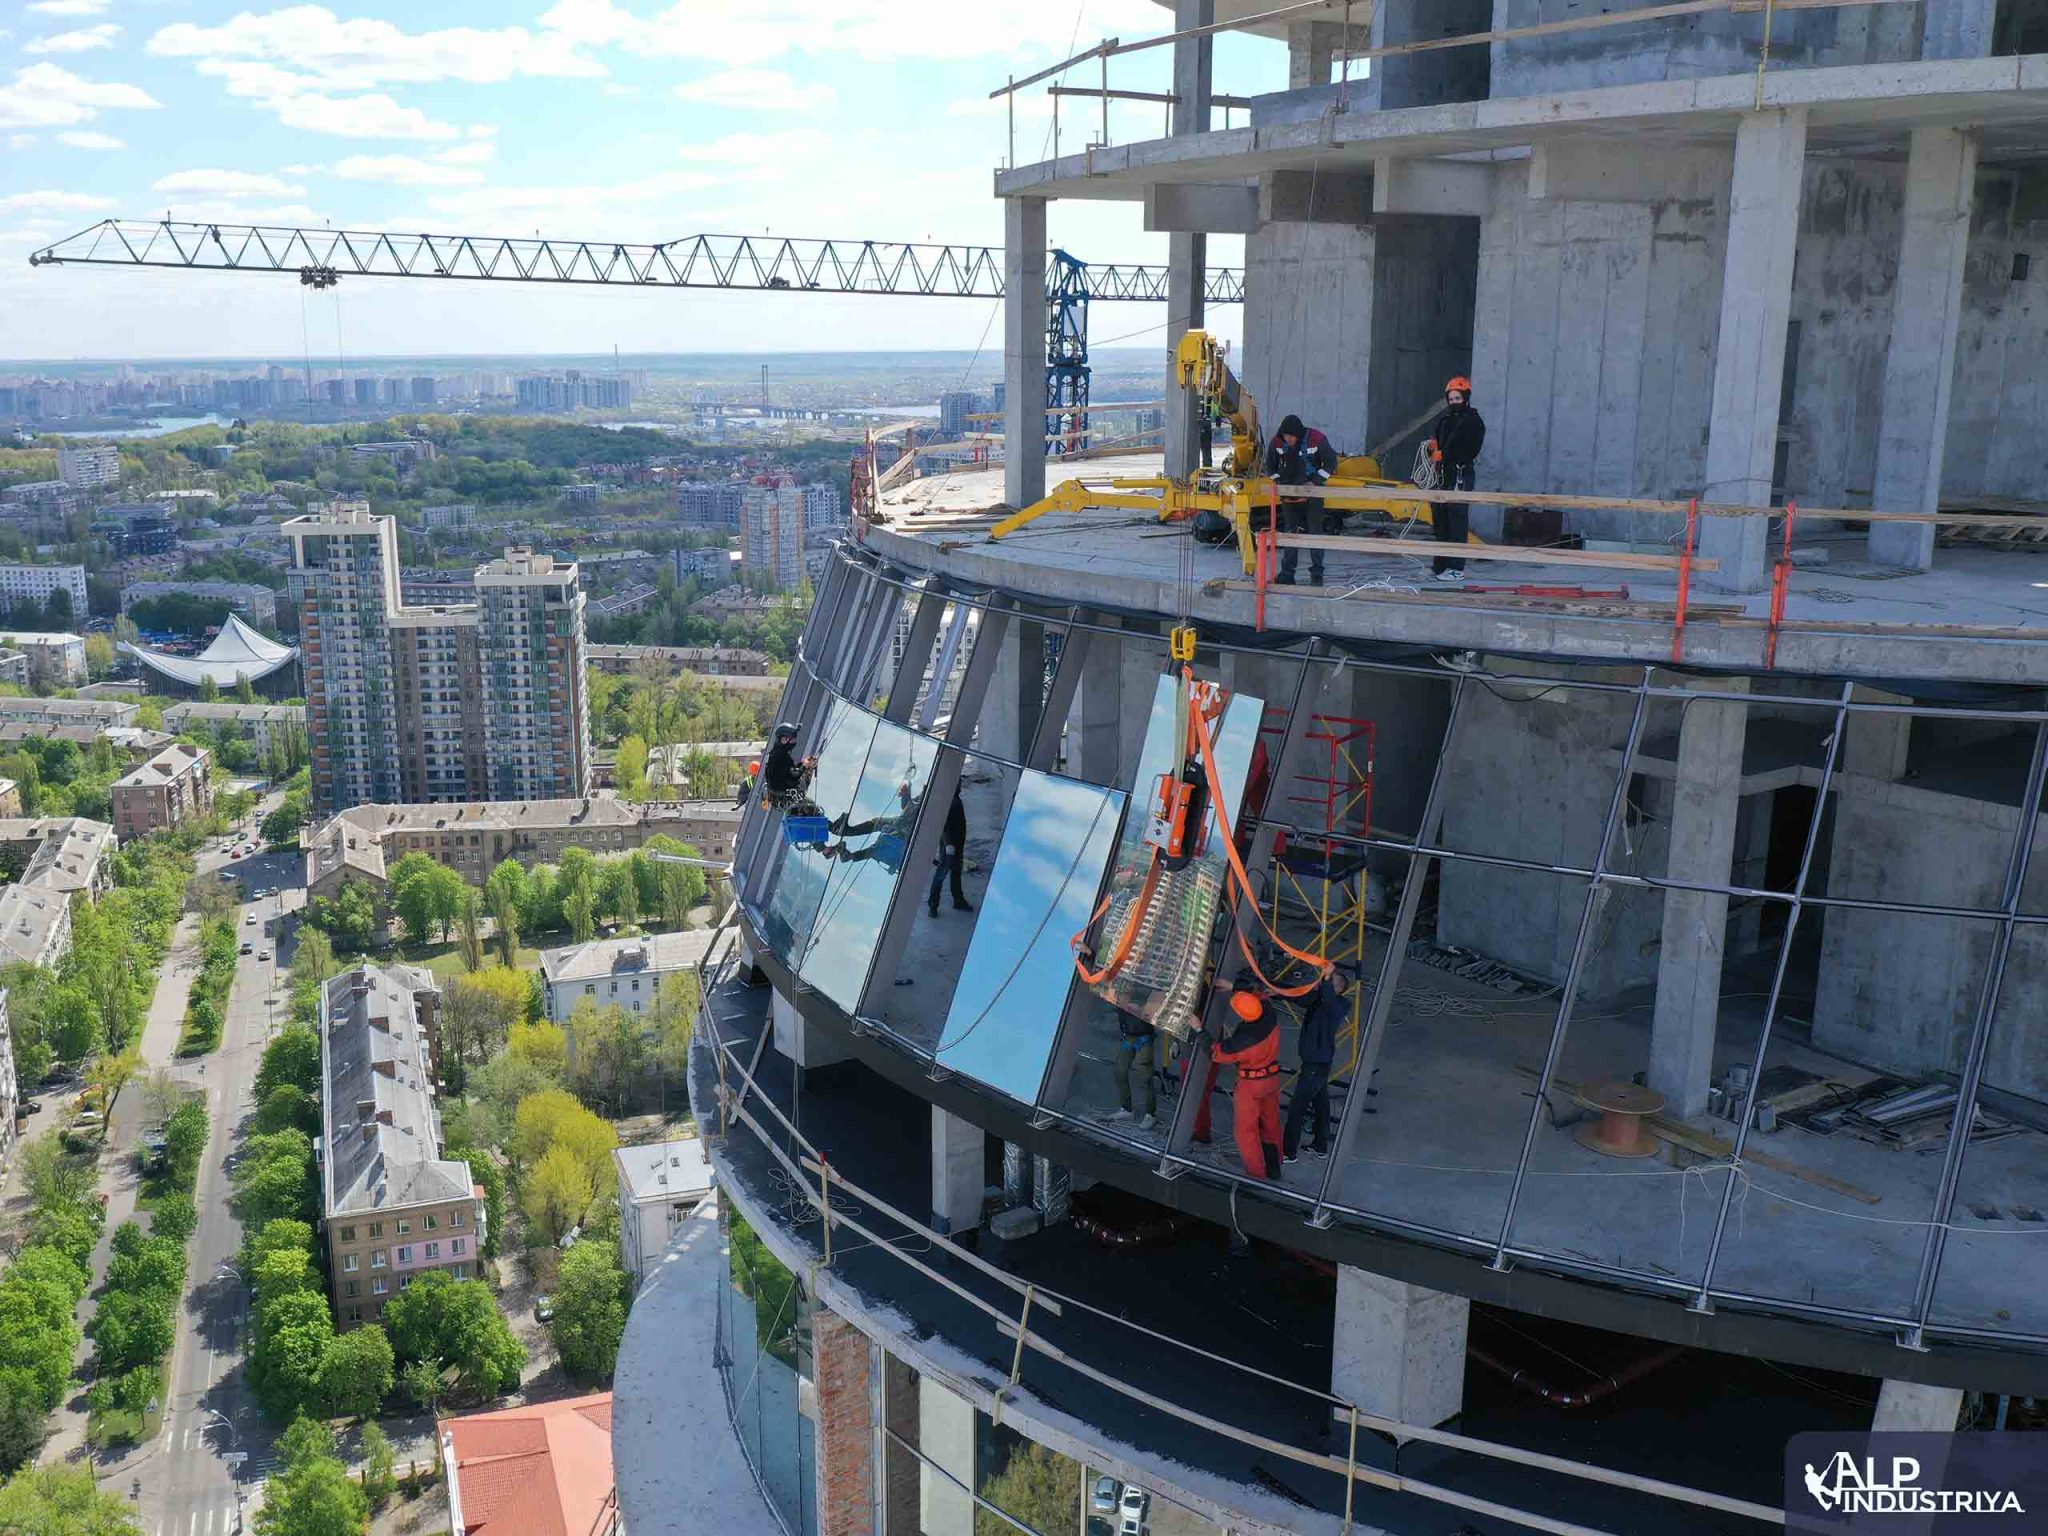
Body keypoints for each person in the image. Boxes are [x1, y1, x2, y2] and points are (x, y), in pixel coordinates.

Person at [1210, 990, 1283, 1180]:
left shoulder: (1243, 1042)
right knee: (1271, 1124)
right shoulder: (1270, 1015)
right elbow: (1262, 996)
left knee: (1246, 1131)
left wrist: (1198, 1031)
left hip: (1251, 1085)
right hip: (1271, 1079)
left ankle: (1256, 1173)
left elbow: (1217, 1053)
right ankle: (1274, 1167)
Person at [1263, 414, 1339, 587]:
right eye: (1285, 436)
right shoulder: (1277, 443)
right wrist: (1279, 483)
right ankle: (1288, 575)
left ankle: (1317, 575)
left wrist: (1315, 482)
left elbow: (1331, 463)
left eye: (1291, 436)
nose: (1288, 439)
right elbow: (1270, 466)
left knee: (1315, 534)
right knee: (1290, 534)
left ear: (1298, 433)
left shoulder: (1317, 439)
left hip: (1313, 496)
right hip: (1289, 497)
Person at [1423, 376, 1486, 583]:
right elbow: (1440, 441)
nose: (1453, 402)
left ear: (1465, 397)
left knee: (1457, 522)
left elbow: (1471, 450)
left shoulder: (1473, 422)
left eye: (1457, 398)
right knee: (1441, 522)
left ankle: (1456, 568)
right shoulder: (1445, 420)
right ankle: (1440, 566)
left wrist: (1447, 456)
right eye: (1451, 399)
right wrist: (1434, 446)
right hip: (1442, 475)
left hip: (1460, 474)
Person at [1283, 970, 1348, 1162]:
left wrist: (1327, 980)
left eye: (1328, 981)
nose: (1322, 982)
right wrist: (1275, 991)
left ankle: (1288, 1152)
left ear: (1338, 989)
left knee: (1297, 1108)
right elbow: (1301, 998)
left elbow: (1329, 1002)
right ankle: (1320, 1145)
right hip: (1318, 1061)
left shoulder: (1338, 1005)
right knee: (1321, 1104)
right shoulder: (1320, 1000)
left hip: (1316, 1064)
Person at [1106, 1009, 1158, 1130]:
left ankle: (1150, 1114)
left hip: (1144, 1036)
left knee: (1145, 1075)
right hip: (1128, 1036)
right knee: (1120, 1070)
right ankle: (1126, 1109)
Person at [927, 785, 973, 916]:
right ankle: (933, 905)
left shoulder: (955, 798)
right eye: (957, 783)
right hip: (950, 846)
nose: (960, 784)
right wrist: (948, 845)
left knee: (956, 872)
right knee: (941, 874)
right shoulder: (946, 800)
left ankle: (958, 900)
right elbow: (944, 824)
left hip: (958, 843)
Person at [761, 722, 815, 809]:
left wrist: (802, 763)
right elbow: (793, 778)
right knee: (812, 807)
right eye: (792, 739)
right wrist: (804, 766)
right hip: (783, 798)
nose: (794, 742)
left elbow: (787, 771)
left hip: (776, 796)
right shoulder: (781, 756)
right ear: (784, 739)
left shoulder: (775, 753)